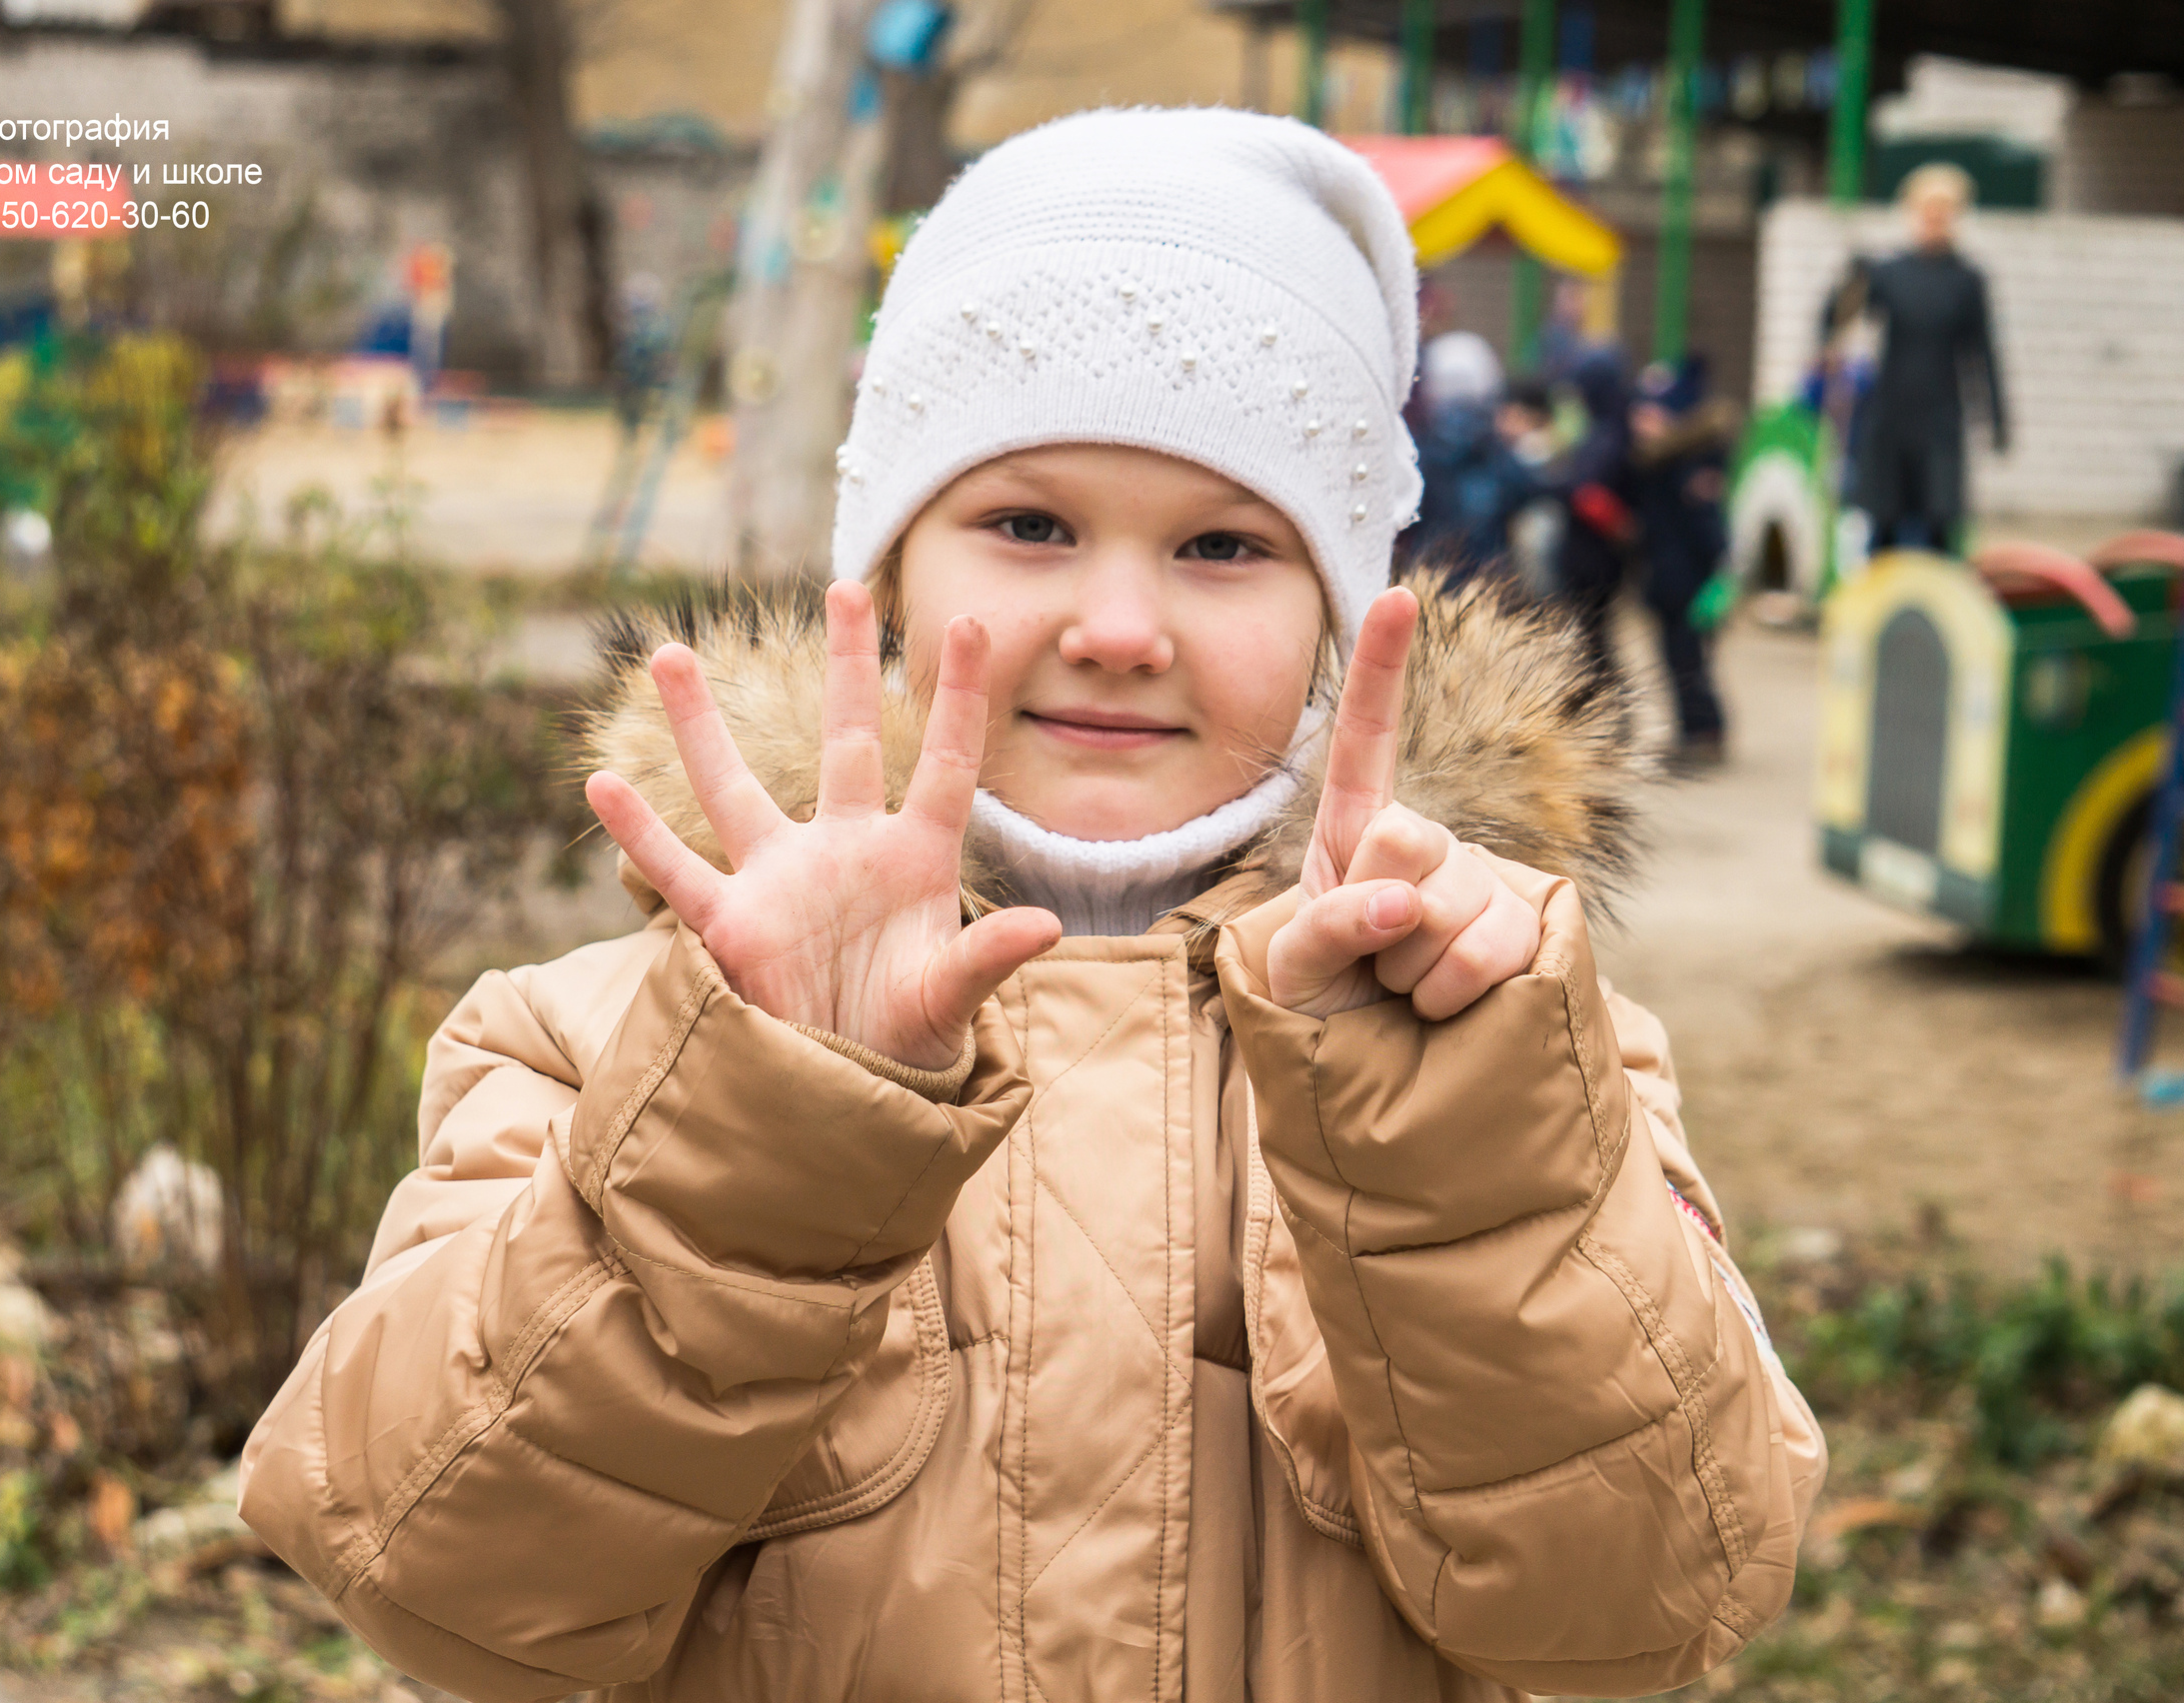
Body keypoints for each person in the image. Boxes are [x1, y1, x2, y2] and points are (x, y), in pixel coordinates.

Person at [239, 109, 1822, 1703]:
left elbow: (1646, 1609)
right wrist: (766, 1120)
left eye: (1224, 544)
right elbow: (440, 1580)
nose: (1119, 624)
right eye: (1028, 525)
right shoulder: (597, 1045)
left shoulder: (1525, 1049)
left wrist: (1455, 1130)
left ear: (1347, 614)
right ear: (891, 576)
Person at [1823, 161, 2008, 553]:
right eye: (1928, 210)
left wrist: (1995, 417)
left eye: (1944, 211)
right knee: (1883, 521)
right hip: (1891, 412)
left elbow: (1982, 352)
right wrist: (1850, 279)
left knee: (1939, 523)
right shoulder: (1889, 273)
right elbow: (1837, 322)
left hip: (1940, 415)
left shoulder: (1967, 280)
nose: (1935, 219)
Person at [1629, 357, 1738, 767]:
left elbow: (1708, 532)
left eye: (1653, 413)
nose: (1642, 421)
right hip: (1668, 582)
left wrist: (1720, 578)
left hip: (1687, 586)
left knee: (1690, 662)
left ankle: (1705, 731)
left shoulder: (1688, 468)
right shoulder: (1661, 462)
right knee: (1677, 663)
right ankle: (1692, 731)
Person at [1403, 329, 1535, 587]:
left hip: (1431, 573)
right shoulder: (1495, 446)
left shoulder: (1422, 446)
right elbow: (1525, 491)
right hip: (1488, 576)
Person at [1550, 345, 1636, 678]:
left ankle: (1606, 703)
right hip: (1597, 555)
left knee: (1591, 638)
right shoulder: (1613, 428)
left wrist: (1555, 486)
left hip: (1594, 557)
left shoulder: (1607, 436)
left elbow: (1589, 496)